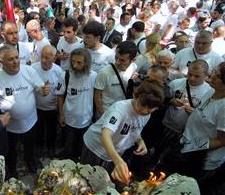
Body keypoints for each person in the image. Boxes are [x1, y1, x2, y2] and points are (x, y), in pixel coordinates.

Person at [81, 78, 164, 185]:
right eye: (142, 105)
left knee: (103, 181)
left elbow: (133, 129)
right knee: (88, 180)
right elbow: (105, 135)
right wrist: (118, 161)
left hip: (114, 153)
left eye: (149, 109)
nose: (144, 111)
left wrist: (139, 140)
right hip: (96, 148)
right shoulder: (120, 110)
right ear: (135, 96)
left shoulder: (146, 115)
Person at [161, 62, 225, 194]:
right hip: (185, 147)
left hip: (200, 159)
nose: (212, 76)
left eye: (217, 75)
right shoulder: (211, 91)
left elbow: (222, 140)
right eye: (214, 72)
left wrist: (192, 146)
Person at [0, 45, 50, 177]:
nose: (16, 62)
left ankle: (30, 160)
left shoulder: (29, 71)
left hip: (30, 121)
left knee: (30, 145)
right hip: (9, 126)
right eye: (10, 59)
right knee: (10, 149)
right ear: (1, 62)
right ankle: (12, 168)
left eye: (17, 58)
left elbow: (39, 88)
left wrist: (43, 91)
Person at [160, 60, 212, 154]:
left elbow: (208, 117)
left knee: (173, 156)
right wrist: (171, 101)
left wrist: (195, 113)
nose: (192, 78)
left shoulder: (209, 92)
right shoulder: (176, 83)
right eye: (190, 74)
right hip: (167, 125)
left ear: (205, 75)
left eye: (197, 76)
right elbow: (161, 100)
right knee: (159, 149)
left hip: (186, 133)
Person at [56, 48, 97, 160]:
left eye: (79, 62)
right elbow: (59, 96)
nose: (75, 65)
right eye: (73, 61)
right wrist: (61, 115)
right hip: (69, 118)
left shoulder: (93, 76)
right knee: (69, 143)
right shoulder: (65, 75)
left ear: (86, 63)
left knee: (81, 144)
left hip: (86, 119)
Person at [32, 46, 63, 157]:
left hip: (52, 108)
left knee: (51, 129)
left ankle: (50, 146)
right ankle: (39, 146)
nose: (43, 60)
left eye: (47, 58)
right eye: (42, 57)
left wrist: (59, 108)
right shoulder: (33, 69)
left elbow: (60, 91)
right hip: (37, 107)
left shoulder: (58, 71)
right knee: (38, 129)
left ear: (54, 59)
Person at [94, 41, 138, 118]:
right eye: (116, 57)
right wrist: (103, 116)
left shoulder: (134, 67)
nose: (117, 62)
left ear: (133, 60)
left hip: (123, 114)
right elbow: (97, 97)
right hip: (106, 113)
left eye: (122, 60)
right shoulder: (104, 72)